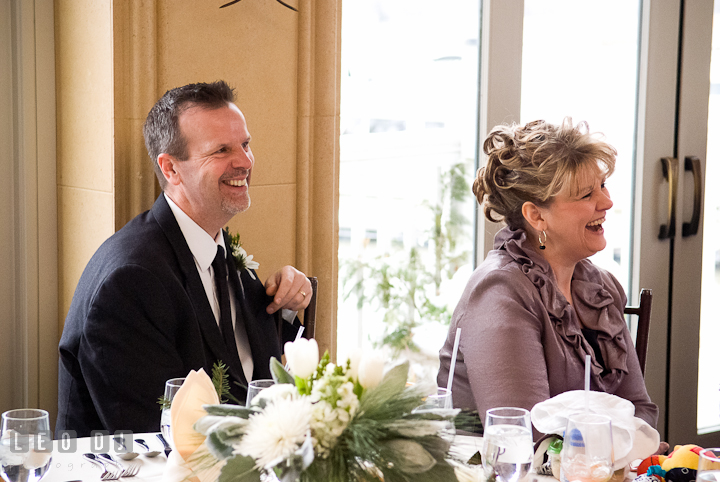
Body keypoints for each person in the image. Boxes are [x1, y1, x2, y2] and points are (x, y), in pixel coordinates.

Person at [56, 81, 313, 437]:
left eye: (245, 144)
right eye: (222, 150)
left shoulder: (221, 252)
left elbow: (252, 372)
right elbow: (157, 429)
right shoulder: (130, 281)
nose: (245, 162)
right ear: (172, 169)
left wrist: (285, 303)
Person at [437, 118, 658, 430]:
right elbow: (524, 433)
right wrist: (618, 444)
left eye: (603, 186)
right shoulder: (500, 292)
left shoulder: (601, 288)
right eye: (586, 195)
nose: (607, 203)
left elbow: (640, 410)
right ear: (536, 215)